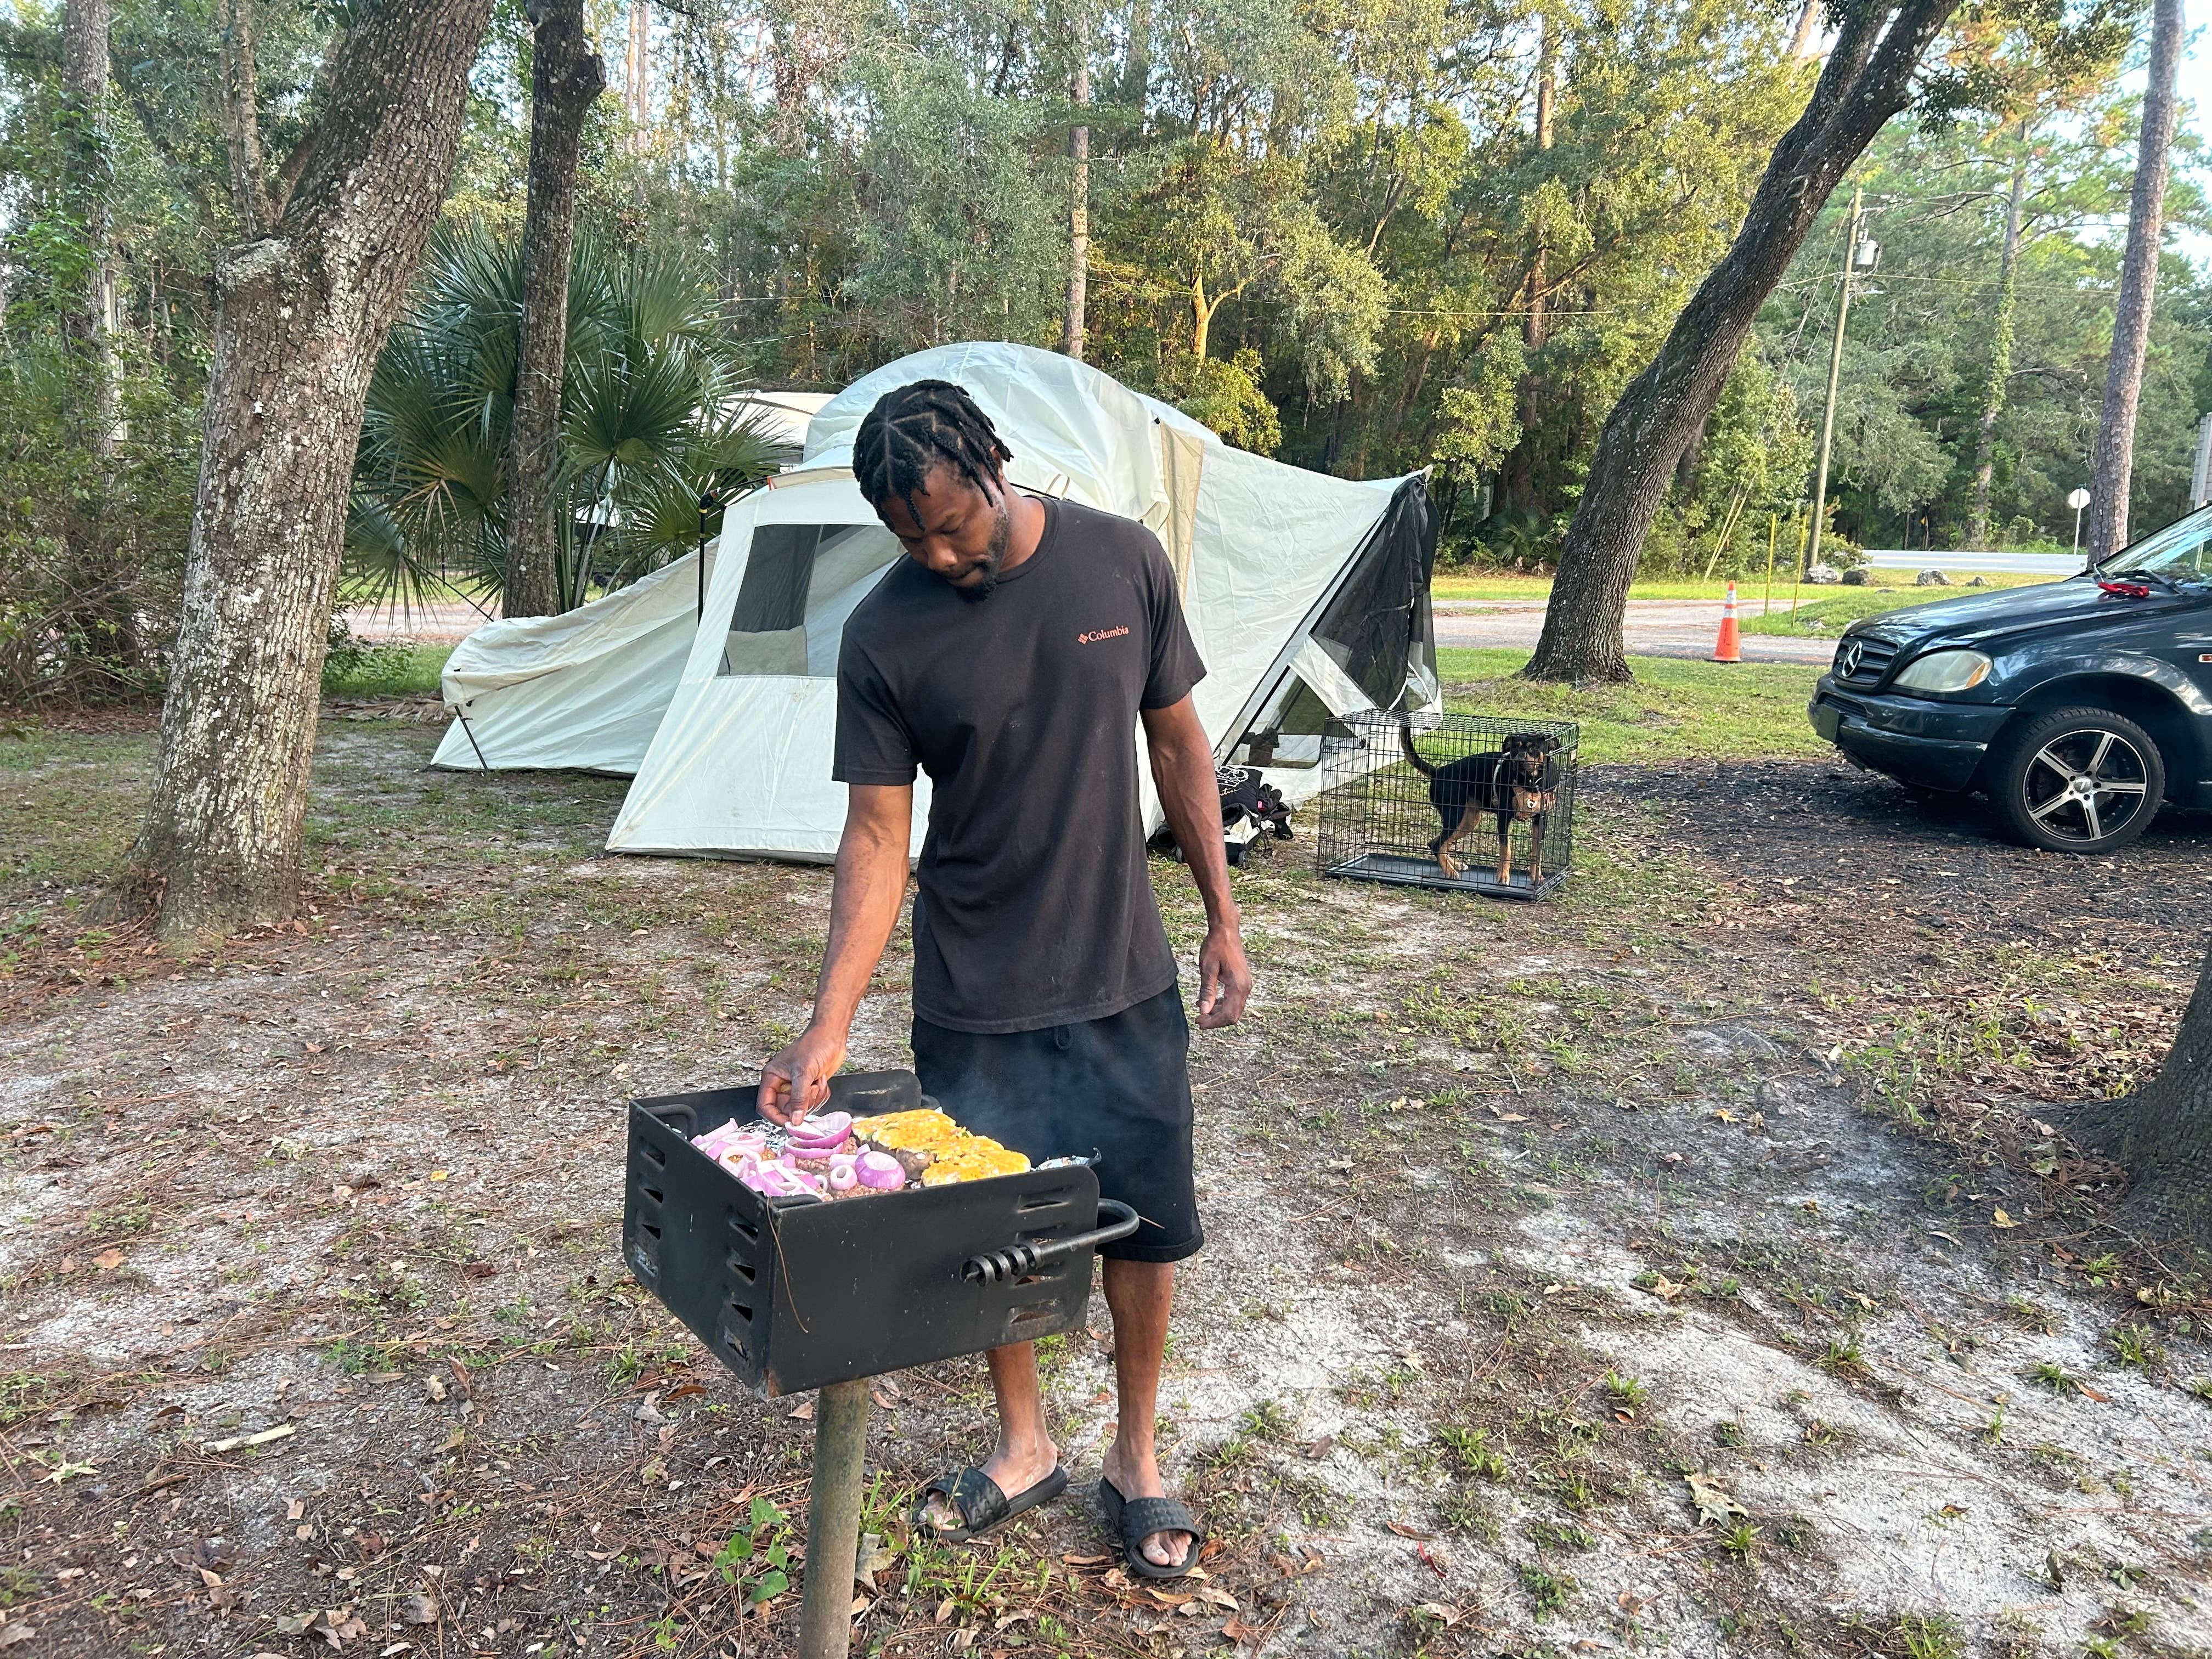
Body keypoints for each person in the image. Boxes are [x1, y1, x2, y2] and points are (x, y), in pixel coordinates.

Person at [757, 379, 1251, 1579]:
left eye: (949, 522)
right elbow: (878, 838)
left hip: (1122, 974)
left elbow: (1178, 743)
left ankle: (1137, 1455)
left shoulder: (1120, 562)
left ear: (992, 464)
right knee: (1001, 1235)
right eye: (907, 536)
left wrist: (1223, 918)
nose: (935, 552)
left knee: (1146, 1230)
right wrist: (827, 1025)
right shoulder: (885, 633)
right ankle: (1024, 1444)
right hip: (975, 992)